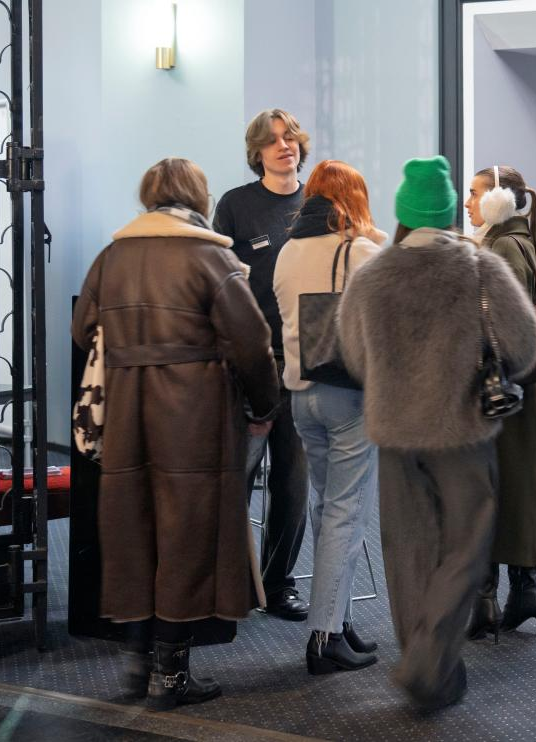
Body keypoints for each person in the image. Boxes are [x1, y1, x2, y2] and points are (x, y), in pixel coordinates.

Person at [72, 158, 281, 708]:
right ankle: (171, 675)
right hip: (196, 414)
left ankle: (137, 665)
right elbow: (252, 342)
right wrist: (264, 405)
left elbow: (82, 329)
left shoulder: (112, 256)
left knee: (133, 530)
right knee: (187, 533)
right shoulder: (211, 257)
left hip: (126, 409)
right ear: (198, 197)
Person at [338, 156, 536, 711]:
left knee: (407, 551)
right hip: (463, 433)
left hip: (395, 433)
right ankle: (429, 663)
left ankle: (426, 665)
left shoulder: (371, 275)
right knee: (466, 546)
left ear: (403, 213)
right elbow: (524, 347)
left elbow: (354, 356)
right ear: (450, 212)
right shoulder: (480, 270)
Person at [272, 160, 385, 674]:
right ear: (353, 200)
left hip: (301, 397)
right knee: (346, 513)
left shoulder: (287, 251)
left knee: (326, 509)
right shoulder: (359, 251)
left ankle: (337, 619)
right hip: (348, 396)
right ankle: (324, 637)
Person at [213, 108, 311, 621]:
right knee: (237, 478)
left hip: (301, 360)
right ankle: (231, 584)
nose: (283, 146)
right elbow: (220, 282)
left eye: (290, 137)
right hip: (250, 362)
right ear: (257, 153)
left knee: (292, 482)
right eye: (272, 140)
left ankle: (278, 583)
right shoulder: (235, 205)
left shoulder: (318, 204)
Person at [463, 165, 536, 640]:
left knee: (493, 490)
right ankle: (522, 593)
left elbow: (502, 321)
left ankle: (488, 600)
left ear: (499, 199)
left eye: (475, 194)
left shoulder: (502, 247)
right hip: (519, 387)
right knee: (516, 490)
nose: (468, 203)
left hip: (504, 389)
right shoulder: (516, 240)